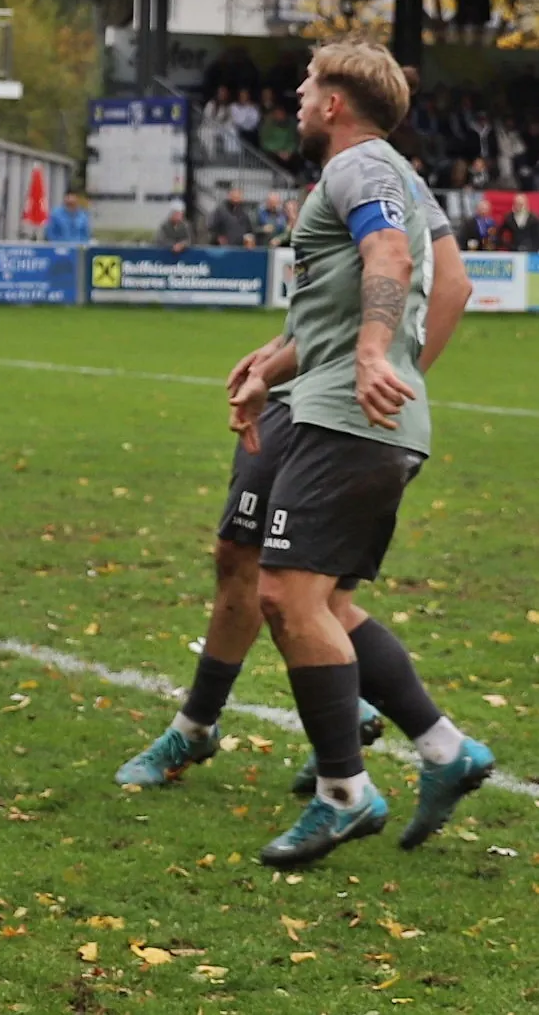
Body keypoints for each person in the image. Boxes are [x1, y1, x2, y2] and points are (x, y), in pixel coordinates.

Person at [116, 164, 470, 796]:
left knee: (302, 592)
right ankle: (336, 736)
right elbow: (337, 304)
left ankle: (363, 755)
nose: (299, 108)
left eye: (308, 102)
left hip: (329, 407)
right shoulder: (350, 173)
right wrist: (282, 352)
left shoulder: (382, 174)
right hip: (300, 393)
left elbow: (451, 286)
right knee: (245, 560)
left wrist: (389, 375)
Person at [236, 42, 490, 865]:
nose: (297, 94)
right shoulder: (388, 174)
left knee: (284, 595)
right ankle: (444, 749)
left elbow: (390, 257)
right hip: (350, 415)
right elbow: (414, 289)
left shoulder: (358, 167)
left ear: (334, 103)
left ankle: (343, 793)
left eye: (308, 84)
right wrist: (267, 370)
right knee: (328, 603)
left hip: (347, 422)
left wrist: (376, 355)